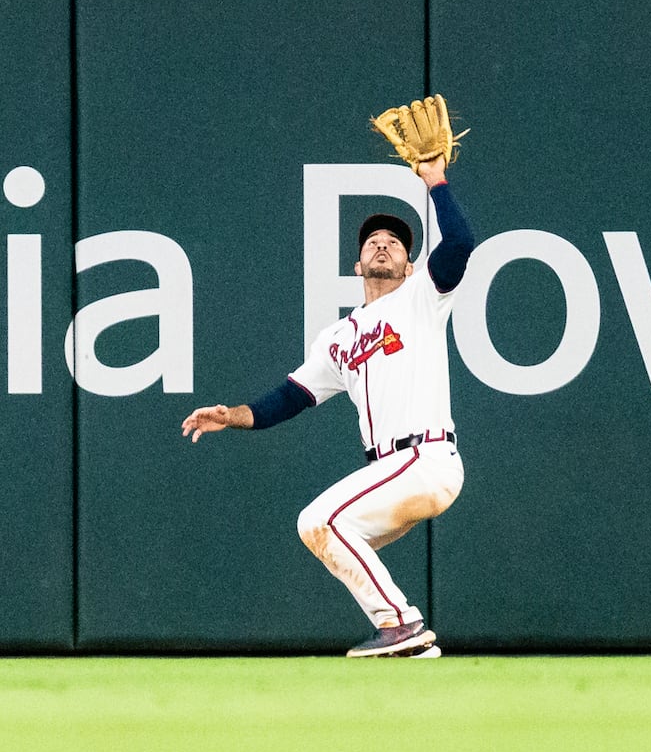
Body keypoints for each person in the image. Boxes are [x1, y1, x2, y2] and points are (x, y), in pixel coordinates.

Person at [182, 154, 474, 658]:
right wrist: (232, 416)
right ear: (358, 265)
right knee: (331, 535)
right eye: (372, 242)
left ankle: (400, 624)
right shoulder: (338, 337)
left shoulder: (423, 297)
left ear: (409, 264)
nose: (383, 244)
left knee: (319, 521)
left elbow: (461, 244)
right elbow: (291, 397)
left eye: (396, 243)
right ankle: (413, 649)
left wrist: (435, 180)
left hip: (426, 459)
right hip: (392, 468)